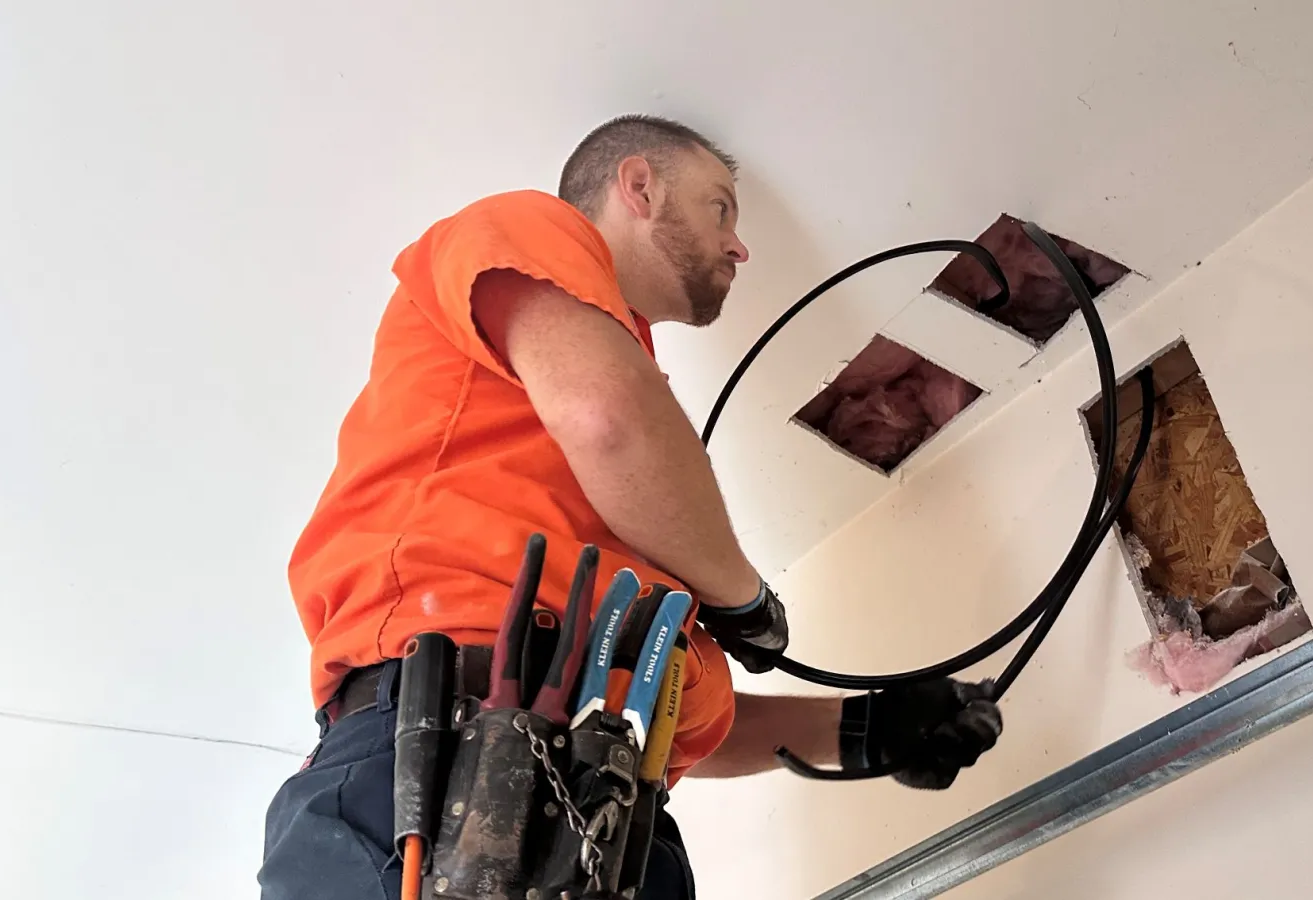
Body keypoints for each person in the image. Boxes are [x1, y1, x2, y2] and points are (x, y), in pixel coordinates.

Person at [258, 114, 1005, 900]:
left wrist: (862, 731)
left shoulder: (613, 510)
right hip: (435, 771)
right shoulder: (525, 227)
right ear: (639, 187)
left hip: (600, 799)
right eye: (721, 208)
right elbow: (606, 419)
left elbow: (643, 691)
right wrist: (740, 596)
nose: (740, 245)